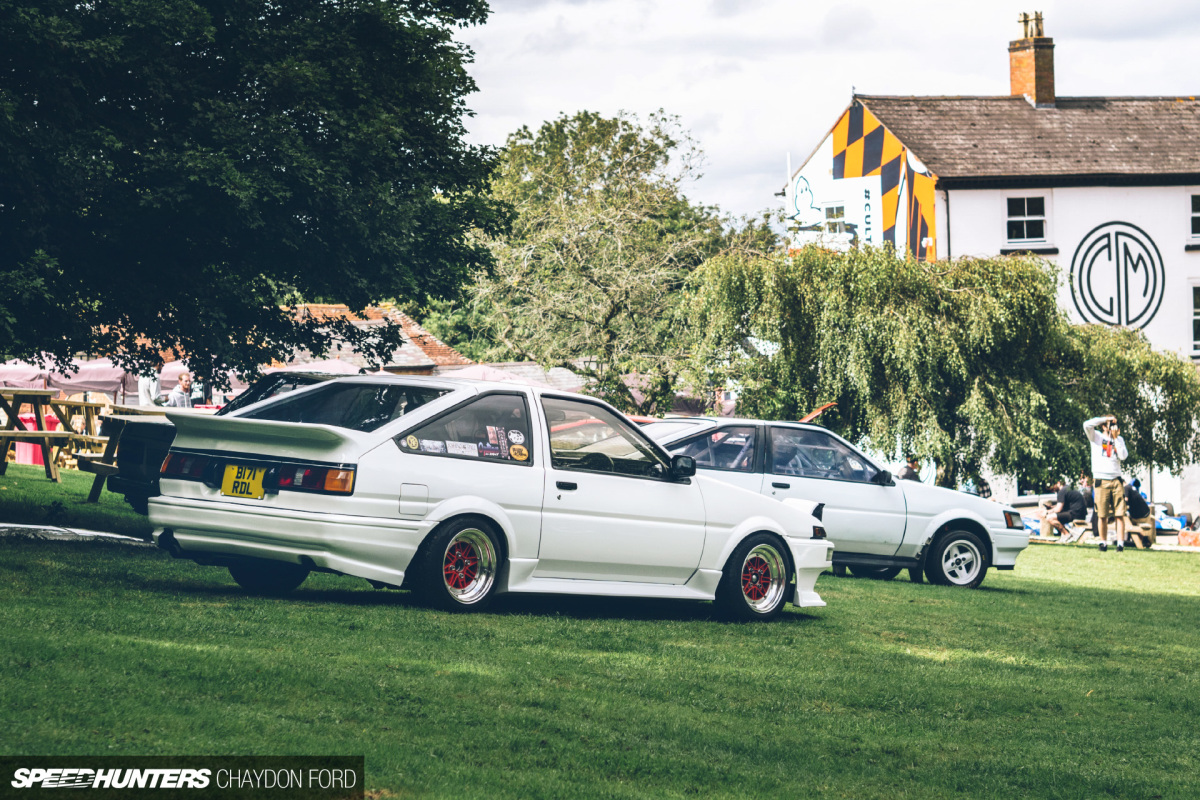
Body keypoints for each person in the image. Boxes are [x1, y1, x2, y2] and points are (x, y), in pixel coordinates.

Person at [1084, 415, 1129, 552]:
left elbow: (1123, 456)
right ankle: (1103, 543)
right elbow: (1087, 424)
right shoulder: (1096, 437)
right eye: (1110, 424)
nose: (1112, 427)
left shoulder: (1119, 439)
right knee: (1102, 514)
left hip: (1116, 479)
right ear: (1103, 425)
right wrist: (1105, 418)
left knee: (1119, 513)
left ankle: (1120, 544)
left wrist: (1115, 439)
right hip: (1101, 480)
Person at [1123, 478, 1156, 549]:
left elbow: (1126, 500)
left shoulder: (1126, 488)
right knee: (1134, 525)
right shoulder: (1131, 488)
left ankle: (1142, 543)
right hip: (1146, 513)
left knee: (1131, 527)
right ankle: (1145, 541)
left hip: (1140, 516)